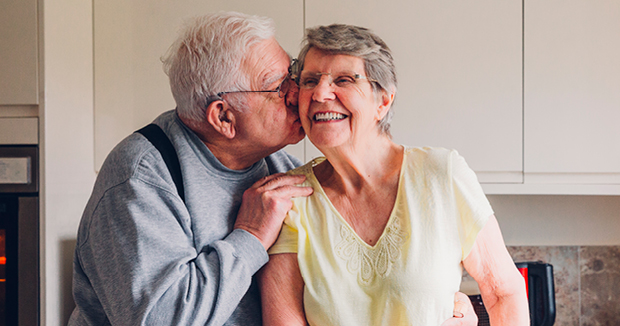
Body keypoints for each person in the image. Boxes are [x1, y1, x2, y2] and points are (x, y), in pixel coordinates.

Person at [69, 12, 477, 326]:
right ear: (224, 117)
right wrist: (248, 237)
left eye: (295, 75)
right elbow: (162, 319)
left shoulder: (283, 168)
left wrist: (439, 303)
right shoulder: (140, 178)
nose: (303, 93)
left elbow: (341, 293)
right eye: (279, 85)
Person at [259, 24, 530, 325]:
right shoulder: (290, 199)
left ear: (383, 101)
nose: (320, 93)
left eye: (344, 80)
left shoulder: (441, 175)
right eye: (310, 81)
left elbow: (504, 292)